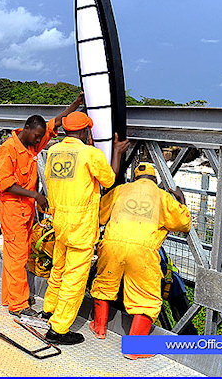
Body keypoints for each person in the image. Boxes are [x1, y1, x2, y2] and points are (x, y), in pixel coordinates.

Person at [41, 111, 130, 345]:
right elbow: (109, 180)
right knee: (75, 278)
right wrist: (117, 153)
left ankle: (49, 309)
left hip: (59, 221)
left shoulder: (53, 151)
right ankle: (58, 328)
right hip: (80, 225)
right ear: (85, 131)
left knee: (58, 268)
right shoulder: (90, 153)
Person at [0, 93, 84, 318]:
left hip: (24, 211)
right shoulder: (9, 150)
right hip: (12, 209)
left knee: (15, 254)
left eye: (41, 137)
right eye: (37, 136)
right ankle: (18, 304)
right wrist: (35, 194)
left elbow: (55, 123)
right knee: (18, 257)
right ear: (26, 128)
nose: (39, 141)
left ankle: (10, 296)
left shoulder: (32, 144)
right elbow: (4, 184)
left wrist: (75, 105)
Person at [89, 163, 191, 359]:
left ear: (135, 178)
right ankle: (135, 348)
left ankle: (99, 328)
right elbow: (183, 224)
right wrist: (181, 201)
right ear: (155, 180)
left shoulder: (121, 190)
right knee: (145, 297)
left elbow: (101, 215)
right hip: (143, 251)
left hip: (112, 245)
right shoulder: (163, 196)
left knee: (103, 284)